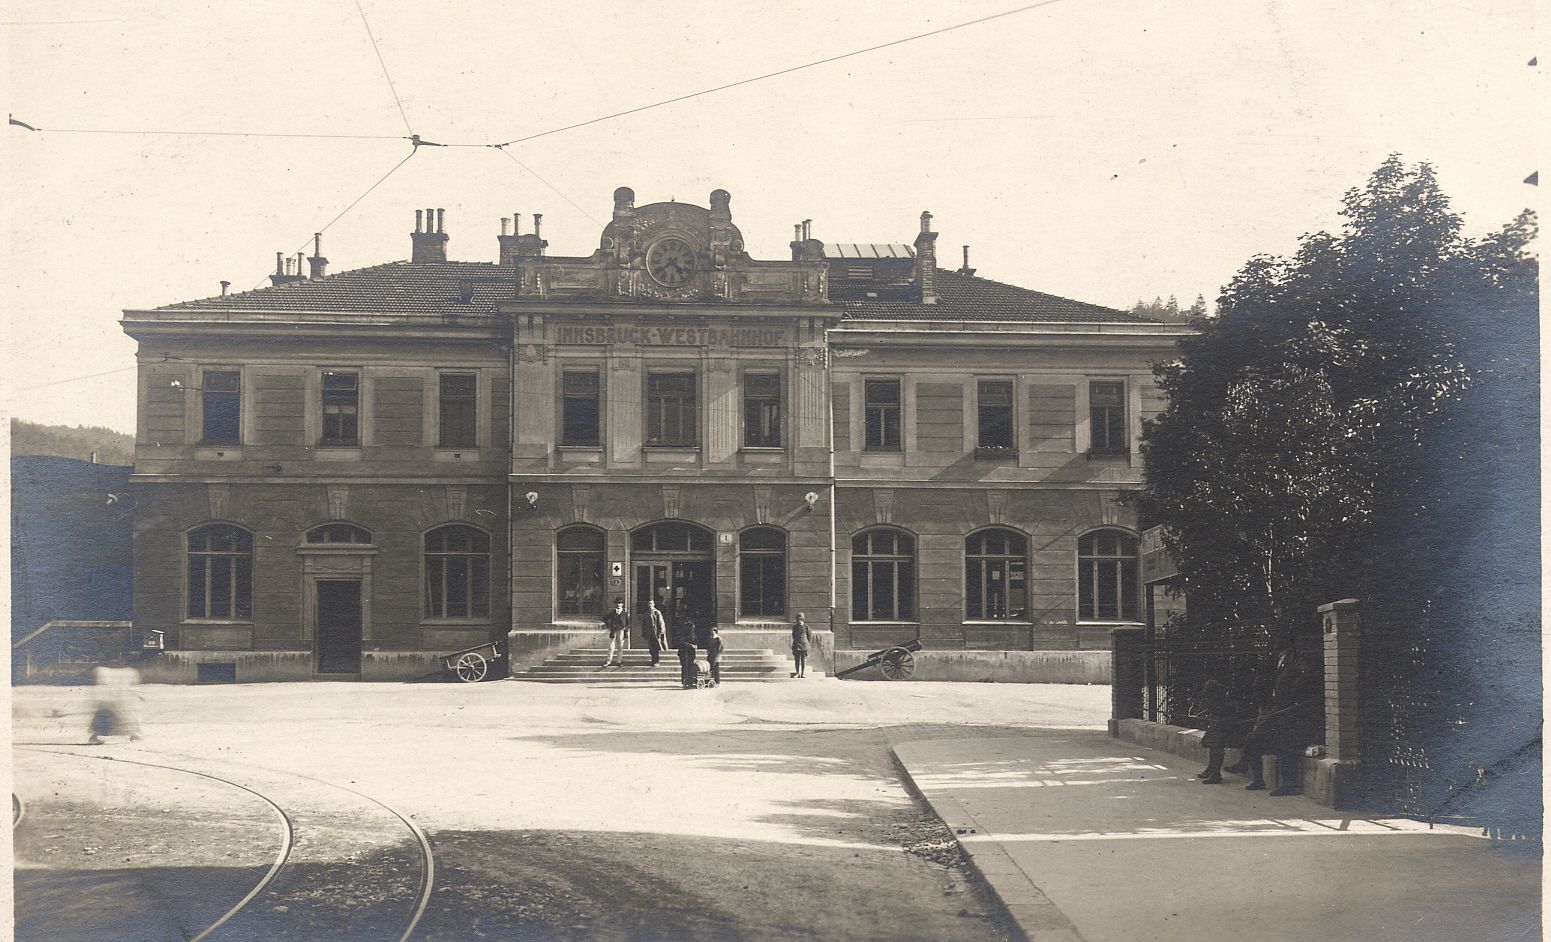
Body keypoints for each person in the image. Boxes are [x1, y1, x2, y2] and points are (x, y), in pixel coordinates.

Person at [1238, 646, 1320, 795]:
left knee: (1285, 744)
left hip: (1293, 720)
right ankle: (1258, 780)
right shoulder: (1284, 673)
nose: (1280, 661)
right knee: (1253, 739)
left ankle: (1289, 784)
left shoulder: (1296, 673)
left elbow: (1299, 698)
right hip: (1279, 717)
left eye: (1283, 658)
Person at [1193, 679, 1251, 784]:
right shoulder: (1221, 702)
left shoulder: (1229, 703)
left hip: (1239, 731)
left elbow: (1232, 722)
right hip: (1229, 728)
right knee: (1213, 738)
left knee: (1216, 741)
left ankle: (1215, 774)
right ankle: (1211, 769)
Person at [88, 665, 144, 744]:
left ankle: (94, 737)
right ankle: (135, 735)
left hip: (112, 698)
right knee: (127, 717)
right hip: (120, 698)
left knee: (107, 717)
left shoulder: (103, 671)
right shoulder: (130, 672)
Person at [602, 598, 630, 668]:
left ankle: (619, 662)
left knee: (620, 647)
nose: (618, 604)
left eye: (620, 603)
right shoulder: (612, 612)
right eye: (617, 603)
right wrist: (609, 625)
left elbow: (628, 623)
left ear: (622, 605)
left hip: (621, 631)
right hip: (613, 631)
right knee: (611, 647)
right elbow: (605, 619)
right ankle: (609, 661)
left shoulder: (625, 613)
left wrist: (625, 628)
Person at [643, 598, 668, 667]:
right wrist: (644, 633)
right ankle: (653, 659)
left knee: (656, 647)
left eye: (651, 603)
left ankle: (656, 661)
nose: (650, 605)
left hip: (656, 632)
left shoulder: (657, 612)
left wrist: (660, 632)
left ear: (653, 604)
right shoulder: (646, 613)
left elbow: (660, 622)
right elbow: (644, 624)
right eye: (649, 603)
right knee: (651, 648)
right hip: (649, 633)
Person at [790, 612, 812, 678]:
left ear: (803, 619)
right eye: (797, 619)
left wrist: (806, 644)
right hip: (796, 645)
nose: (799, 621)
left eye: (800, 619)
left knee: (803, 660)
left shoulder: (807, 627)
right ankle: (797, 673)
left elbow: (809, 637)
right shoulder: (794, 627)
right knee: (797, 660)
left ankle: (803, 673)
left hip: (804, 646)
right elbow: (793, 635)